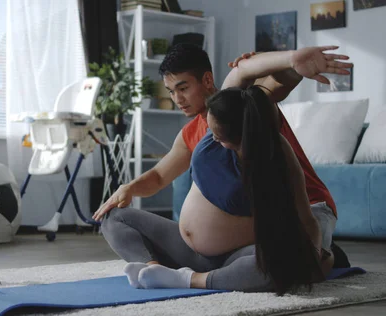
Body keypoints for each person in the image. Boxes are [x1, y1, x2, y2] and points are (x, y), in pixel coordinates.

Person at [92, 45, 352, 294]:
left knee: (282, 263)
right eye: (170, 91)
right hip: (211, 251)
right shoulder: (191, 133)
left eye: (182, 88)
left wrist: (292, 62)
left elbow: (259, 77)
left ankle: (203, 276)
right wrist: (127, 188)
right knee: (114, 218)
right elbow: (159, 175)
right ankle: (157, 273)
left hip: (300, 214)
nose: (177, 99)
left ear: (206, 80)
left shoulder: (248, 107)